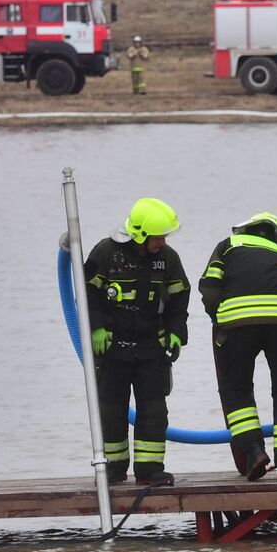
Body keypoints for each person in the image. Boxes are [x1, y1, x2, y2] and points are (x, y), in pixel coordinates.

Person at [199, 212, 277, 482]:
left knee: (236, 390)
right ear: (276, 235)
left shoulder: (227, 246)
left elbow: (209, 287)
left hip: (237, 325)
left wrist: (218, 317)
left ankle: (253, 452)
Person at [84, 198, 190, 487]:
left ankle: (150, 469)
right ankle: (113, 469)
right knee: (111, 410)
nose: (163, 242)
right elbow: (87, 294)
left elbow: (180, 298)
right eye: (158, 237)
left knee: (154, 410)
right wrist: (97, 329)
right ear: (141, 235)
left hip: (152, 349)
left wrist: (177, 331)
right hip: (112, 349)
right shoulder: (105, 253)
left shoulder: (168, 259)